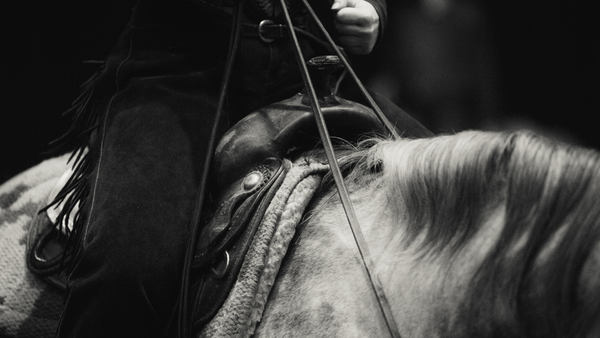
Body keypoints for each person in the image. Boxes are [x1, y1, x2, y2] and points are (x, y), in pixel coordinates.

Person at [41, 0, 431, 337]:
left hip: (313, 72)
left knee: (465, 202)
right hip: (182, 72)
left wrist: (371, 8)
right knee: (127, 274)